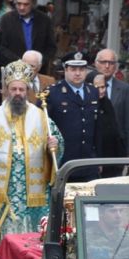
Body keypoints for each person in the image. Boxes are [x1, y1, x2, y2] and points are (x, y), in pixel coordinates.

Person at [0, 60, 62, 240]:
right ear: (7, 90)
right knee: (8, 233)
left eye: (21, 90)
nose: (17, 93)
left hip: (33, 187)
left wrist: (54, 145)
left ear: (27, 91)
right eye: (14, 89)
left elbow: (56, 144)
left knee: (33, 234)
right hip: (5, 187)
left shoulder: (40, 116)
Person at [45, 52, 99, 182]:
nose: (78, 73)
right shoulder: (52, 93)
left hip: (88, 161)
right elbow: (44, 125)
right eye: (73, 69)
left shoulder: (92, 92)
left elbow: (98, 128)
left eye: (81, 69)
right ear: (65, 70)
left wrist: (98, 158)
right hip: (64, 161)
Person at [0, 0, 57, 68]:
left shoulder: (44, 20)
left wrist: (39, 62)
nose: (22, 7)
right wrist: (19, 62)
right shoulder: (6, 19)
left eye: (26, 4)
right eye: (18, 4)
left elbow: (51, 47)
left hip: (39, 69)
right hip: (14, 69)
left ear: (33, 3)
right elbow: (1, 47)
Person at [94, 48, 129, 155]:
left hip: (116, 148)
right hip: (94, 146)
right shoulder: (87, 86)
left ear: (116, 66)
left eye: (111, 63)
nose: (107, 66)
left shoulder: (124, 88)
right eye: (103, 62)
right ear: (96, 63)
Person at [92, 73, 126, 171]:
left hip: (112, 157)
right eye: (97, 87)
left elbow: (115, 130)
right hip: (96, 158)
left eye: (103, 87)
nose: (101, 91)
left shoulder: (107, 102)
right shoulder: (87, 105)